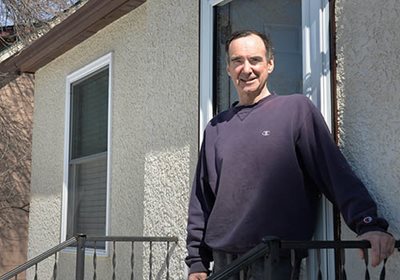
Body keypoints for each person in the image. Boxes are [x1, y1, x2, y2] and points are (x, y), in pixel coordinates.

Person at [185, 30, 395, 280]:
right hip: (224, 263)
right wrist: (197, 262)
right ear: (228, 69)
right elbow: (201, 200)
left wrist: (368, 223)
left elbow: (334, 172)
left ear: (270, 64)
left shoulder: (295, 110)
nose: (246, 69)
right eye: (237, 61)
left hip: (277, 258)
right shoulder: (216, 127)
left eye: (255, 60)